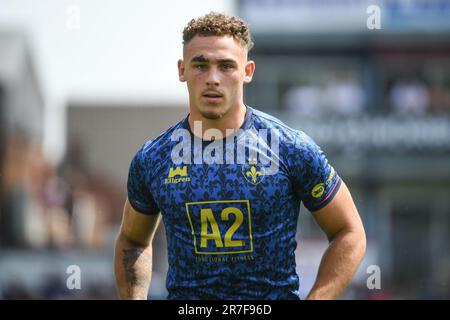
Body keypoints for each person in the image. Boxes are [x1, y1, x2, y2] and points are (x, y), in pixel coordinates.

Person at [114, 12, 366, 300]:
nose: (212, 79)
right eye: (200, 65)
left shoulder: (290, 148)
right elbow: (132, 241)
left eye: (226, 66)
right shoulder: (154, 159)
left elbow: (349, 232)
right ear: (182, 70)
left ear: (247, 71)